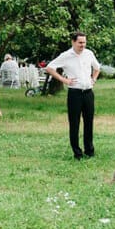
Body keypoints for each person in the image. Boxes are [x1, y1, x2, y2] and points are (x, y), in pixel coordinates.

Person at [44, 32, 102, 160]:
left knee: (89, 122)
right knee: (74, 123)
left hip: (88, 92)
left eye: (84, 42)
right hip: (75, 93)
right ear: (73, 42)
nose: (82, 45)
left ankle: (89, 150)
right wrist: (64, 80)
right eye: (80, 42)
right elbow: (49, 68)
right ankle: (77, 152)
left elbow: (97, 68)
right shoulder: (66, 55)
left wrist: (94, 79)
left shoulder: (89, 53)